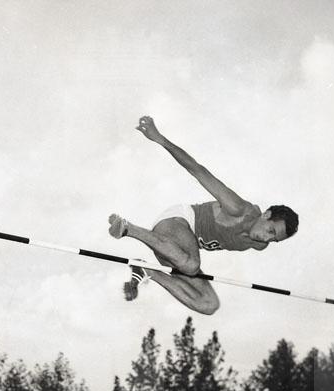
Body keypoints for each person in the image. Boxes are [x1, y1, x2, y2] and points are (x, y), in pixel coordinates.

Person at [108, 116, 298, 314]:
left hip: (176, 252)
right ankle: (128, 228)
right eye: (270, 231)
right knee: (191, 265)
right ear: (266, 214)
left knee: (209, 304)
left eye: (273, 239)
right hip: (178, 221)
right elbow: (197, 170)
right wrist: (160, 139)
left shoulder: (259, 245)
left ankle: (148, 271)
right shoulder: (238, 209)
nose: (266, 239)